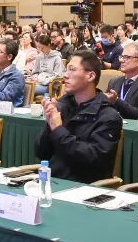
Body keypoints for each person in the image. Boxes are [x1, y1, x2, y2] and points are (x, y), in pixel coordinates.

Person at [34, 50, 123, 183]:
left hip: (83, 187)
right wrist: (49, 125)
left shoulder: (108, 116)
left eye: (72, 69)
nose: (65, 75)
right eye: (66, 70)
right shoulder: (63, 106)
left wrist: (58, 129)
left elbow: (92, 159)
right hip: (52, 181)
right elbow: (41, 153)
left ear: (90, 76)